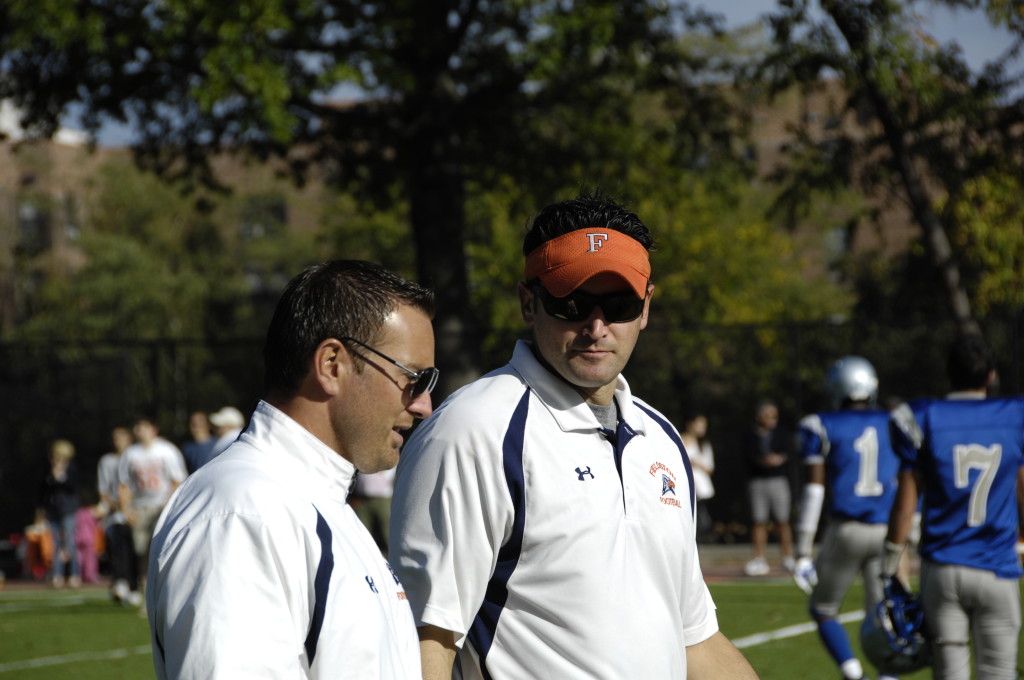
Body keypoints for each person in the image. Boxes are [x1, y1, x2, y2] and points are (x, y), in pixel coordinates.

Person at [390, 191, 758, 680]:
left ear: (646, 307)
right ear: (528, 302)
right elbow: (424, 639)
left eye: (619, 302)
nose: (596, 325)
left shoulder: (661, 438)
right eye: (572, 302)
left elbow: (695, 639)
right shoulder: (472, 431)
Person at [147, 260, 436, 679]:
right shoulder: (244, 512)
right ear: (332, 365)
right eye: (414, 378)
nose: (423, 404)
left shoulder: (314, 501)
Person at [884, 333, 1024, 680]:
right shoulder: (1013, 415)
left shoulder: (924, 416)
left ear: (948, 373)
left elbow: (906, 502)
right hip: (997, 565)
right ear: (990, 375)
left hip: (943, 569)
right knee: (998, 673)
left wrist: (889, 561)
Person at [792, 357, 900, 680]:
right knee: (883, 617)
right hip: (888, 530)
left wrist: (801, 550)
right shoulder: (895, 421)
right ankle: (888, 676)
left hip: (848, 530)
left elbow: (814, 491)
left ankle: (853, 674)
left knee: (824, 609)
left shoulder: (821, 424)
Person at [118, 416, 187, 599]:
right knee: (141, 551)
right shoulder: (130, 454)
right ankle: (146, 594)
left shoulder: (167, 450)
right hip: (140, 507)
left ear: (153, 428)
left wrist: (167, 503)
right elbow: (124, 484)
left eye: (144, 426)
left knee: (157, 550)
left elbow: (178, 480)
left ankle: (162, 593)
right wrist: (126, 509)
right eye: (138, 426)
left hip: (160, 506)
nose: (140, 430)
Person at [743, 399, 795, 576]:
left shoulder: (782, 433)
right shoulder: (750, 434)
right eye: (768, 415)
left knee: (782, 520)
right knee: (759, 521)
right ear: (759, 416)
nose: (772, 418)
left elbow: (788, 453)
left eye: (774, 415)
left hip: (778, 480)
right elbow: (748, 456)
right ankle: (759, 559)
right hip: (758, 481)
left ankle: (787, 558)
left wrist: (778, 459)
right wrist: (762, 461)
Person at [97, 425, 141, 604]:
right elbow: (104, 490)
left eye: (122, 438)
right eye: (115, 438)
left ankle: (135, 586)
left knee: (136, 551)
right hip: (117, 514)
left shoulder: (136, 458)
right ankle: (120, 582)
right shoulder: (107, 461)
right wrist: (120, 508)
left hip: (138, 513)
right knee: (118, 549)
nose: (118, 442)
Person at [36, 439, 81, 588]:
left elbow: (72, 488)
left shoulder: (71, 469)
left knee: (69, 543)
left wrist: (59, 477)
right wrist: (41, 511)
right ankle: (57, 575)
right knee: (54, 544)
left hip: (68, 511)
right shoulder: (47, 470)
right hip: (53, 511)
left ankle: (74, 575)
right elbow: (43, 492)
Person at [680, 411, 716, 543]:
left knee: (701, 523)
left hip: (701, 489)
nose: (702, 428)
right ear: (690, 425)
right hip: (684, 486)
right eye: (699, 425)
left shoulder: (704, 445)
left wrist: (696, 463)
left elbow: (710, 468)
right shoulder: (679, 439)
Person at [352, 468, 397, 556]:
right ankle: (363, 556)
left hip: (383, 499)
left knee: (387, 531)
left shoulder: (392, 456)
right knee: (361, 530)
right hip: (362, 499)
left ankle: (391, 557)